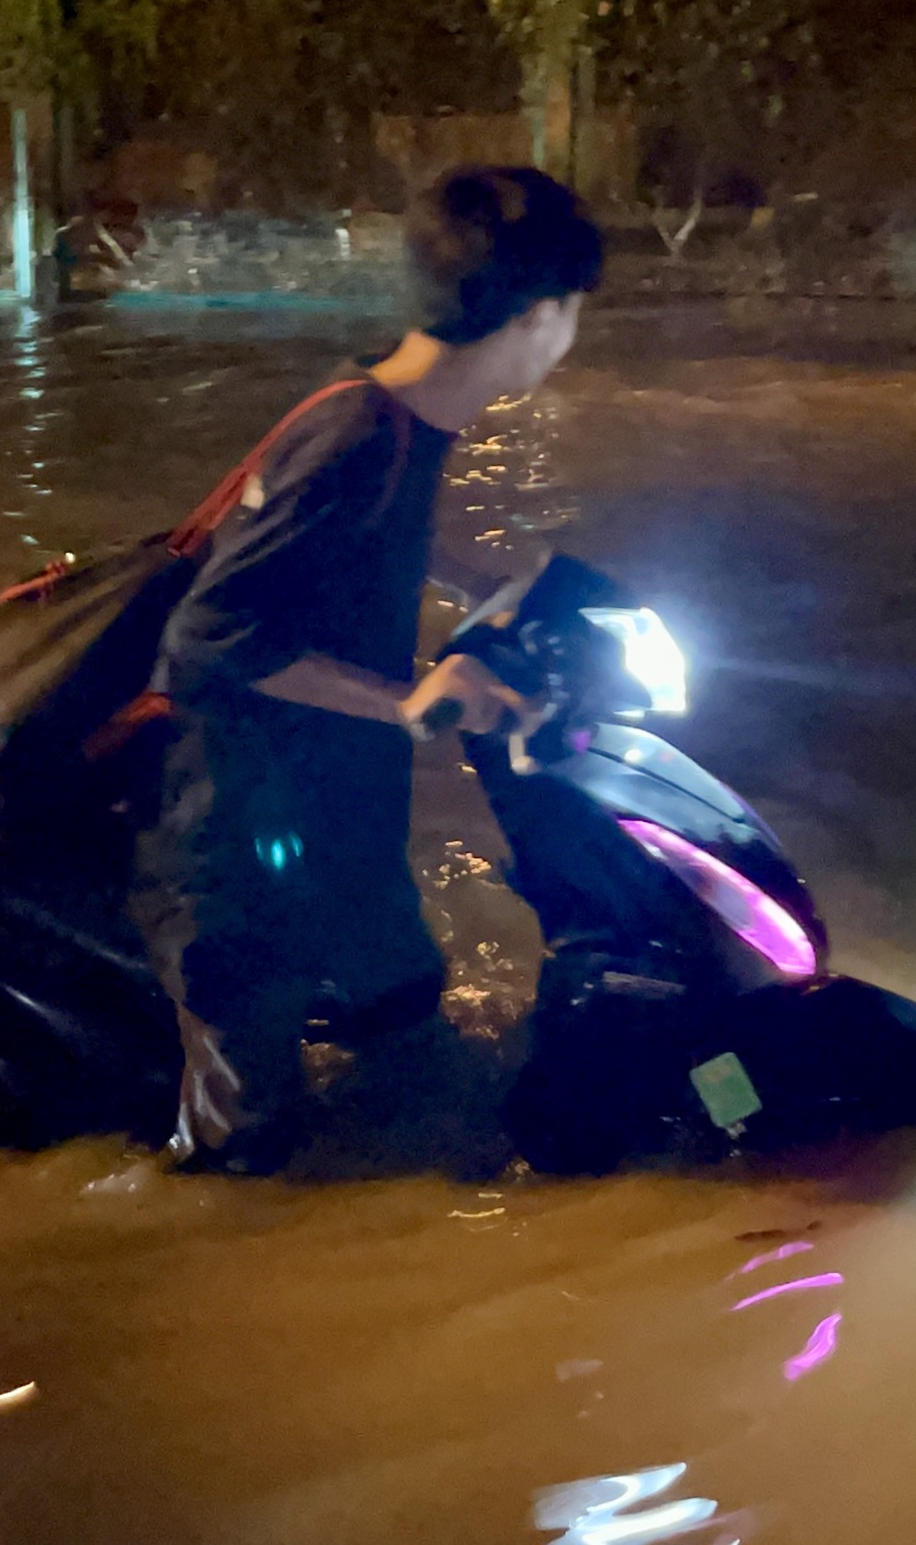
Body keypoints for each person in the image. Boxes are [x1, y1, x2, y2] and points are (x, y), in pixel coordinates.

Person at [134, 165, 604, 1174]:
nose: (570, 338)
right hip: (242, 855)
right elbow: (209, 635)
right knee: (243, 1155)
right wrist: (406, 700)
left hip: (340, 835)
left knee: (410, 1032)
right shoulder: (353, 434)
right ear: (537, 315)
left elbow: (350, 548)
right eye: (572, 313)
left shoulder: (398, 415)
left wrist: (480, 578)